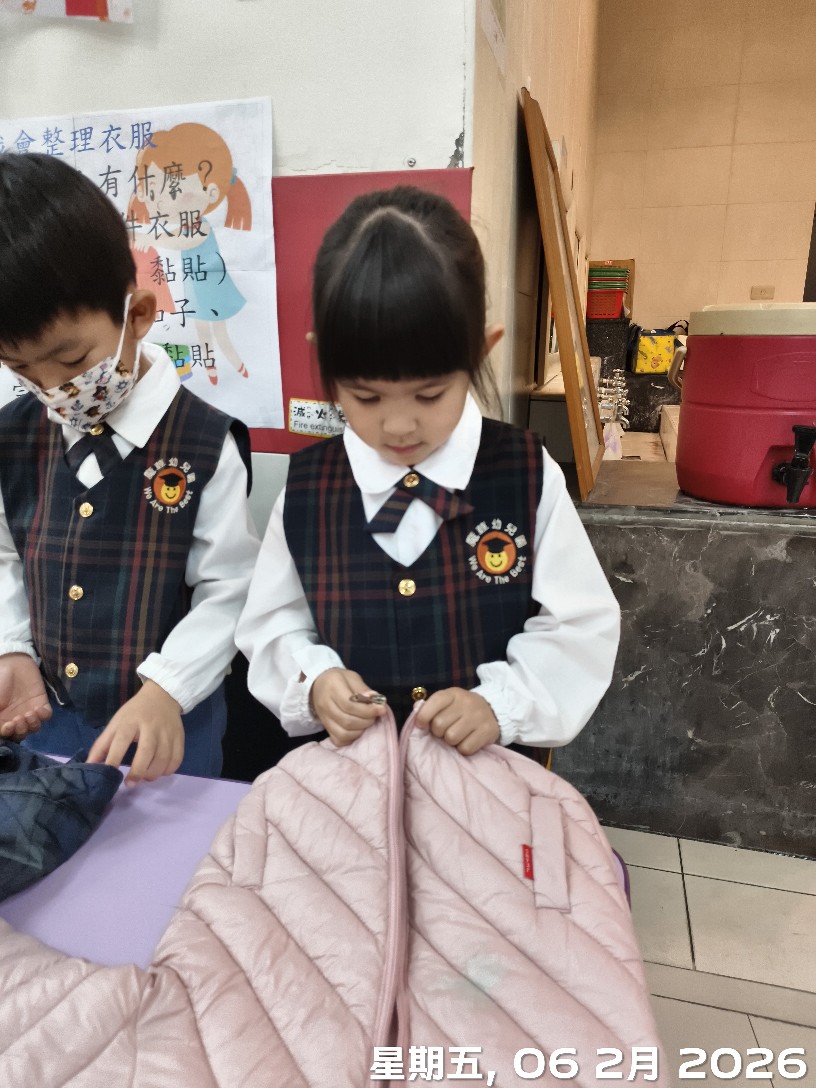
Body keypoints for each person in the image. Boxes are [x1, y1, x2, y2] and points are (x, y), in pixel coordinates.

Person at [236, 186, 620, 758]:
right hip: (357, 777)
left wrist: (501, 703)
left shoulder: (524, 472)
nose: (398, 426)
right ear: (326, 360)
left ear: (480, 352)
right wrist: (314, 679)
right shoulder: (308, 488)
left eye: (429, 394)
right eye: (365, 397)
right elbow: (272, 623)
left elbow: (580, 625)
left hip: (488, 776)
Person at [0, 152, 259, 783]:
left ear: (137, 316)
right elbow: (5, 557)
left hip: (166, 729)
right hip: (45, 724)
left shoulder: (205, 442)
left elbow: (230, 588)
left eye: (70, 359)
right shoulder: (12, 435)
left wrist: (167, 689)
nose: (51, 386)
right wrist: (12, 648)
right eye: (21, 368)